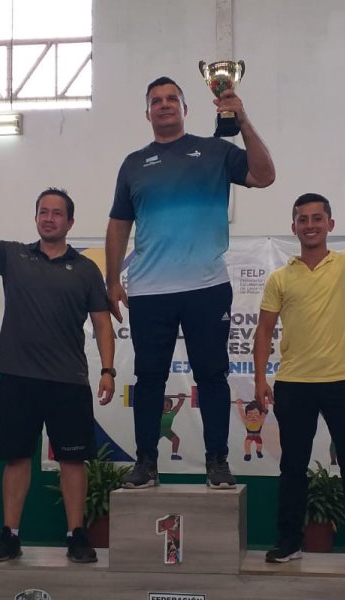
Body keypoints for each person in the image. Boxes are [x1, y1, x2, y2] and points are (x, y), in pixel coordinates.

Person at [0, 168, 116, 564]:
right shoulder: (13, 256)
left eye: (57, 213)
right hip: (18, 378)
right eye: (43, 212)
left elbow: (103, 322)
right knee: (17, 457)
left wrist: (108, 369)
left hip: (68, 381)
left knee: (73, 460)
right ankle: (10, 535)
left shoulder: (86, 269)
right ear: (36, 217)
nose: (49, 218)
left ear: (70, 222)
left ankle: (77, 536)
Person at [106, 75, 276, 490]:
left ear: (186, 108)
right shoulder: (132, 164)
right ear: (147, 112)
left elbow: (265, 175)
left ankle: (217, 461)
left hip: (207, 287)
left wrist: (243, 116)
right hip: (148, 292)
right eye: (156, 101)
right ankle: (146, 463)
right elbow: (117, 227)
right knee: (149, 380)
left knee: (213, 378)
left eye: (172, 99)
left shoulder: (217, 151)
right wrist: (112, 280)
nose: (164, 105)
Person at [252, 141, 345, 567]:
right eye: (303, 220)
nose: (310, 225)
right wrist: (261, 379)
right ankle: (288, 541)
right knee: (291, 469)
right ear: (294, 227)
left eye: (318, 218)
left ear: (330, 224)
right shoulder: (280, 277)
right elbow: (263, 332)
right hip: (294, 385)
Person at [160, 392, 188, 461]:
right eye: (162, 405)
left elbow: (178, 406)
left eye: (167, 405)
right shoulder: (155, 414)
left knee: (176, 440)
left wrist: (181, 399)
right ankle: (147, 455)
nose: (164, 407)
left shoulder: (171, 414)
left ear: (170, 408)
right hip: (158, 431)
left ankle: (174, 455)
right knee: (151, 442)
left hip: (167, 431)